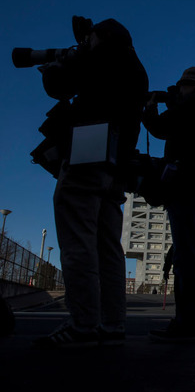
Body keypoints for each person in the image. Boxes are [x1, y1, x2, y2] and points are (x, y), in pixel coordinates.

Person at [33, 18, 149, 349]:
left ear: (102, 38)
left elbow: (59, 85)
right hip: (116, 164)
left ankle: (82, 323)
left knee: (78, 241)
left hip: (86, 154)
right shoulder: (136, 69)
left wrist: (61, 62)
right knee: (108, 247)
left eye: (93, 37)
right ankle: (112, 323)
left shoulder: (99, 56)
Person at [144, 66, 195, 342]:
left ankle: (188, 323)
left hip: (187, 186)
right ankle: (193, 319)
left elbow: (159, 128)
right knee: (189, 251)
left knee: (185, 255)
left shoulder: (194, 105)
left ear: (189, 85)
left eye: (180, 86)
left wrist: (151, 108)